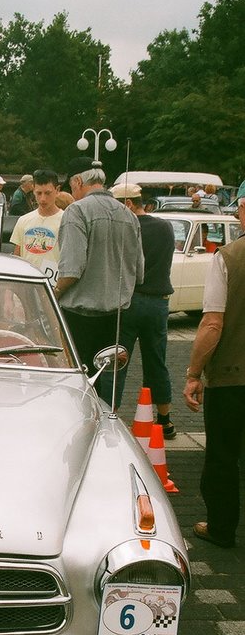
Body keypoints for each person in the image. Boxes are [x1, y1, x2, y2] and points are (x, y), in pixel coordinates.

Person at [183, 180, 245, 548]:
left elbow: (212, 323)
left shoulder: (228, 257)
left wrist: (193, 373)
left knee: (223, 456)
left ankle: (222, 528)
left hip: (232, 377)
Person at [54, 156, 144, 385]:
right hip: (116, 316)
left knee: (78, 380)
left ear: (77, 181)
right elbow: (140, 272)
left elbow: (71, 270)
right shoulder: (129, 216)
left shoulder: (76, 211)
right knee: (108, 381)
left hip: (79, 316)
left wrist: (53, 295)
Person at [100, 182, 176, 437]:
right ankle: (165, 420)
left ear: (129, 204)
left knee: (117, 361)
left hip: (128, 301)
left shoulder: (123, 230)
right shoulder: (165, 228)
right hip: (158, 303)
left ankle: (110, 415)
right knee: (157, 362)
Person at [10, 168, 63, 285]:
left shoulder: (66, 221)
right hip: (26, 285)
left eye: (48, 193)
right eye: (39, 193)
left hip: (54, 288)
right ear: (33, 191)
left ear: (57, 190)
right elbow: (16, 258)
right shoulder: (23, 220)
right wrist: (8, 297)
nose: (43, 199)